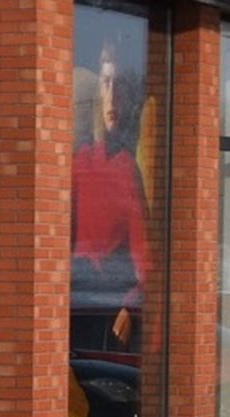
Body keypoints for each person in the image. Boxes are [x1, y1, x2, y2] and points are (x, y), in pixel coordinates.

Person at [70, 35, 149, 355]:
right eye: (106, 83)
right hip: (71, 306)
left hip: (105, 315)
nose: (112, 96)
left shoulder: (126, 169)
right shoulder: (79, 164)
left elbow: (146, 259)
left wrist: (129, 307)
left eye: (119, 84)